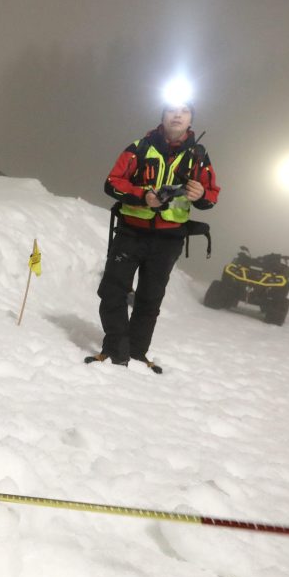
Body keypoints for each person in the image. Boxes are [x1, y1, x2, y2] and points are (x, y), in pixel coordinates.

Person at [89, 99, 221, 373]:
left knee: (150, 298)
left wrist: (201, 196)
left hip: (169, 239)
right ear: (162, 116)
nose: (177, 115)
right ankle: (116, 349)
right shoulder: (139, 148)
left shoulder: (199, 156)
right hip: (130, 232)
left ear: (190, 120)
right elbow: (112, 183)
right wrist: (143, 196)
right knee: (113, 292)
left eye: (184, 111)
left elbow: (211, 195)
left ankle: (137, 353)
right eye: (172, 110)